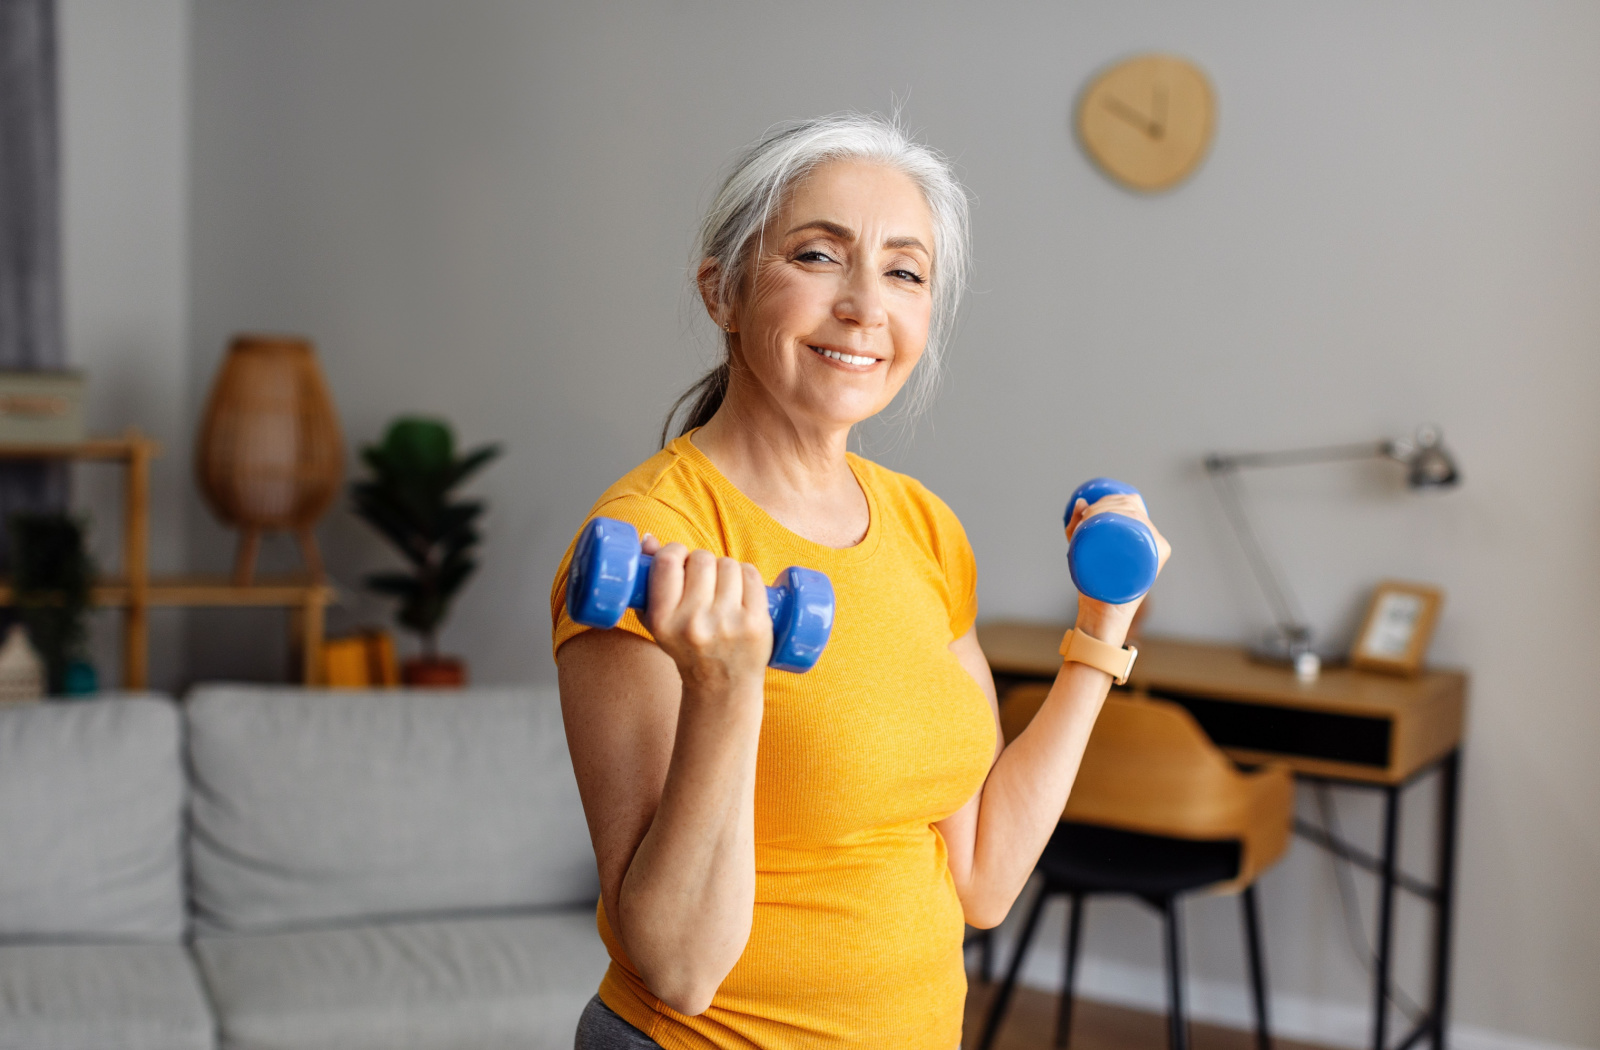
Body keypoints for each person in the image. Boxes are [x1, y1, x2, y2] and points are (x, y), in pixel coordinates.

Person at [552, 113, 1169, 1050]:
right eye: (817, 255)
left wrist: (1101, 634)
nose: (864, 306)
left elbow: (985, 881)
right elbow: (677, 967)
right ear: (722, 291)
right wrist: (727, 689)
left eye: (905, 271)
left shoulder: (925, 527)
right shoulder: (655, 541)